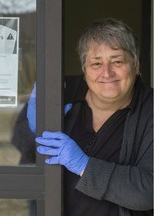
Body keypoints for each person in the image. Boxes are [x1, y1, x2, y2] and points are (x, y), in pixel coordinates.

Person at [13, 18, 153, 216]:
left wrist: (84, 166)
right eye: (96, 63)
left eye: (117, 61)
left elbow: (148, 191)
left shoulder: (150, 110)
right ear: (84, 69)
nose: (107, 72)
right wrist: (33, 130)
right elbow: (19, 143)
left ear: (136, 64)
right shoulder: (61, 91)